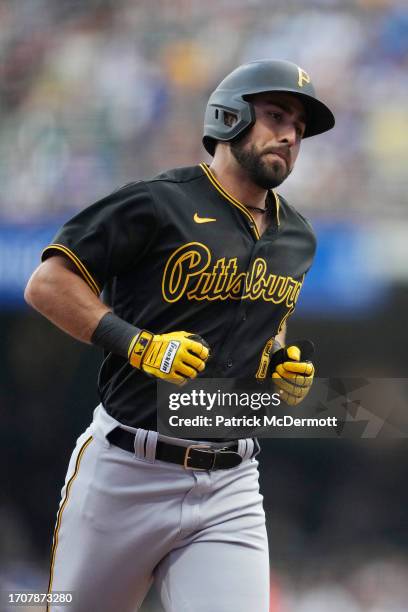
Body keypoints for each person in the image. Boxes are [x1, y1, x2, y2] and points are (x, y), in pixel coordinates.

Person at [25, 59, 335, 612]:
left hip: (231, 481)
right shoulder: (157, 200)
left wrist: (278, 366)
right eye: (275, 116)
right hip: (127, 468)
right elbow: (48, 284)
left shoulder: (299, 237)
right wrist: (138, 344)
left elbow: (267, 324)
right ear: (229, 116)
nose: (289, 135)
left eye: (299, 129)